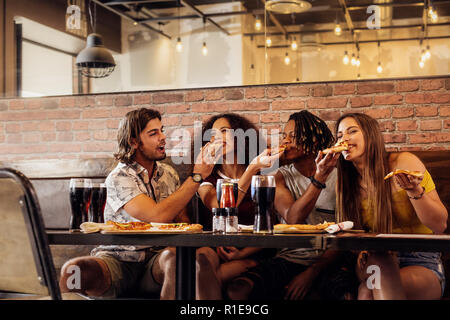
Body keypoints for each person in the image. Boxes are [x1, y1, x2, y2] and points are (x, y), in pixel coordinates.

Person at [59, 108, 222, 299]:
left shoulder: (168, 174)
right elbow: (156, 216)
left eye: (162, 130)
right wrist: (197, 176)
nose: (163, 137)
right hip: (118, 259)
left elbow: (183, 222)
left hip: (157, 260)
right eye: (153, 133)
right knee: (73, 270)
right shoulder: (119, 177)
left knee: (175, 258)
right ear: (133, 141)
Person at [226, 110, 352, 300]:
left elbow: (348, 231)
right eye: (284, 136)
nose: (285, 142)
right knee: (239, 288)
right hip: (291, 257)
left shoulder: (342, 174)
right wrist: (318, 179)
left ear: (314, 141)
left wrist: (312, 272)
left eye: (293, 137)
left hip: (332, 258)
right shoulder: (279, 177)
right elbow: (293, 217)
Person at [334, 112, 448, 300]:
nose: (343, 139)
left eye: (351, 131)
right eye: (339, 136)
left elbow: (439, 225)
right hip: (373, 259)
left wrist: (413, 190)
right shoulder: (346, 182)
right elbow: (351, 232)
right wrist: (362, 247)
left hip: (421, 260)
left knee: (366, 291)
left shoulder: (402, 163)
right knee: (379, 260)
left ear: (371, 136)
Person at [194, 113, 280, 297]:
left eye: (224, 131)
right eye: (212, 135)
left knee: (211, 276)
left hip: (254, 250)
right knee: (201, 257)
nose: (217, 137)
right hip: (216, 248)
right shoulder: (207, 178)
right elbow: (222, 209)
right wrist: (251, 170)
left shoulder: (263, 174)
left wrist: (243, 253)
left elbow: (272, 222)